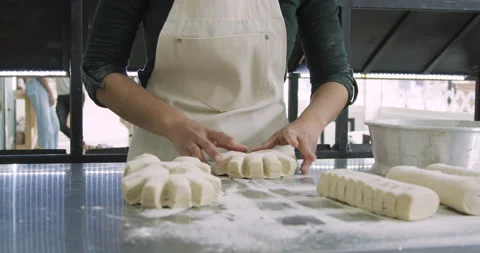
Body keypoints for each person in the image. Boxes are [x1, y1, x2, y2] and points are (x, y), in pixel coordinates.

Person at [82, 0, 358, 174]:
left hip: (264, 163)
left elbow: (336, 76)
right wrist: (173, 124)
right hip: (167, 163)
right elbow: (99, 68)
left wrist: (309, 124)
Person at [22, 77, 60, 149]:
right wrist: (50, 92)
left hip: (40, 85)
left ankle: (53, 153)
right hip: (37, 85)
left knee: (55, 125)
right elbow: (40, 75)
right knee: (46, 127)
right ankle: (47, 155)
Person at [55, 77, 90, 150]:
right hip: (61, 96)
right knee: (61, 124)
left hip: (76, 93)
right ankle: (81, 143)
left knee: (75, 124)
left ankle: (79, 147)